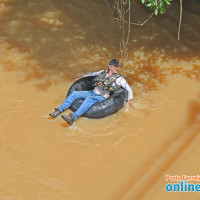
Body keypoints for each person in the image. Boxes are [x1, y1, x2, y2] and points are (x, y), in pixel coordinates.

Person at [49, 59, 133, 125]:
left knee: (89, 99)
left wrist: (128, 102)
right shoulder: (102, 72)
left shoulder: (119, 79)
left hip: (102, 97)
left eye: (118, 67)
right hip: (92, 92)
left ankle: (73, 118)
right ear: (110, 67)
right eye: (116, 66)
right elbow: (91, 74)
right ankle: (59, 111)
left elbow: (129, 89)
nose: (118, 68)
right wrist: (80, 78)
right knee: (75, 94)